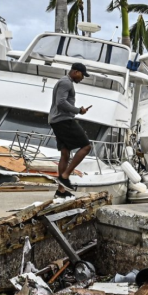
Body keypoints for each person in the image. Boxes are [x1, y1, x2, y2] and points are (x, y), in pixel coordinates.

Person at [48, 62, 93, 198]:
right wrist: (78, 110)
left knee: (65, 153)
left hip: (57, 120)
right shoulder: (66, 83)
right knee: (86, 146)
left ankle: (61, 191)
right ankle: (65, 176)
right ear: (76, 72)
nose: (82, 78)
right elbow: (60, 102)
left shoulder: (64, 82)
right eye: (82, 75)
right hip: (63, 120)